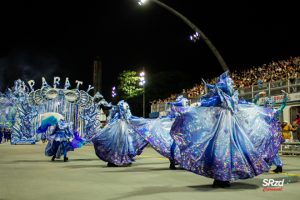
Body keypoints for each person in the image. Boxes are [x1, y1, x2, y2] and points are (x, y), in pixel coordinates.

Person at [170, 71, 282, 188]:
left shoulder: (233, 98)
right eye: (230, 83)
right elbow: (205, 103)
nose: (232, 85)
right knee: (221, 151)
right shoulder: (220, 97)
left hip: (233, 127)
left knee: (234, 151)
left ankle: (225, 177)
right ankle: (220, 178)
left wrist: (261, 109)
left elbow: (245, 104)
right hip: (221, 128)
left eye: (232, 83)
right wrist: (188, 109)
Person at [133, 95, 190, 170]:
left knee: (182, 146)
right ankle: (175, 162)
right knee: (175, 146)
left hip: (183, 130)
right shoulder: (177, 109)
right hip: (178, 131)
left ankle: (180, 162)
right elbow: (170, 115)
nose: (185, 104)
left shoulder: (183, 109)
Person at [92, 100, 148, 167]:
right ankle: (121, 160)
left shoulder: (115, 113)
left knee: (116, 144)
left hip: (118, 127)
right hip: (122, 127)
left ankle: (113, 160)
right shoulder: (121, 110)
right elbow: (128, 116)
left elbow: (116, 117)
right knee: (122, 144)